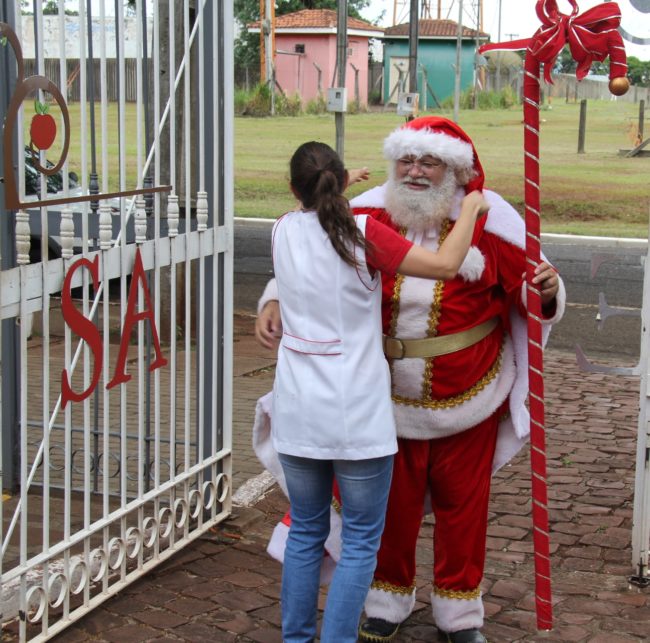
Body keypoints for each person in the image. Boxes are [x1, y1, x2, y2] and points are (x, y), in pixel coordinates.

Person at [255, 117, 565, 643]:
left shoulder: (496, 225)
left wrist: (549, 289)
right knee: (390, 516)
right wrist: (274, 298)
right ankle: (386, 603)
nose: (415, 172)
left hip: (467, 400)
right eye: (407, 160)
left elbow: (531, 297)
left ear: (456, 170)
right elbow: (312, 257)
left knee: (463, 514)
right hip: (384, 404)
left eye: (429, 162)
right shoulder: (367, 214)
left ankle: (459, 614)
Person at [269, 140, 487, 643]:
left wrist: (335, 185)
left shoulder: (280, 228)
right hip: (356, 414)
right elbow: (446, 265)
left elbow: (309, 210)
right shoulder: (363, 234)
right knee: (364, 540)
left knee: (306, 532)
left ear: (292, 189)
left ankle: (297, 639)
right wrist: (472, 208)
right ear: (341, 181)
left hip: (298, 409)